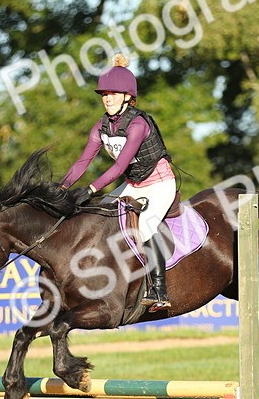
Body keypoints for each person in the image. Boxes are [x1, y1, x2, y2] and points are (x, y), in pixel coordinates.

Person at [61, 54, 175, 311]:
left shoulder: (138, 124)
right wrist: (62, 188)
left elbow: (119, 166)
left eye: (113, 94)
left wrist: (90, 189)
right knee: (100, 217)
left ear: (127, 96)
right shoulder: (100, 126)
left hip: (159, 182)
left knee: (144, 227)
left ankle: (159, 291)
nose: (108, 98)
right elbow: (82, 162)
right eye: (104, 94)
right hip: (134, 184)